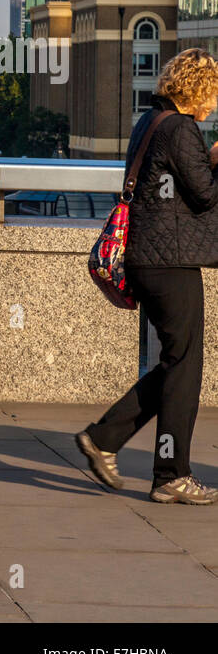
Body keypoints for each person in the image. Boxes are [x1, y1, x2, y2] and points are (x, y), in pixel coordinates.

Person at [77, 48, 218, 504]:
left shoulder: (151, 120)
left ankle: (104, 438)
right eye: (212, 94)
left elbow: (179, 183)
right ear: (197, 90)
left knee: (176, 362)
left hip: (149, 257)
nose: (213, 104)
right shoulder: (180, 127)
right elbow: (204, 197)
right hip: (169, 261)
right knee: (185, 367)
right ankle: (170, 474)